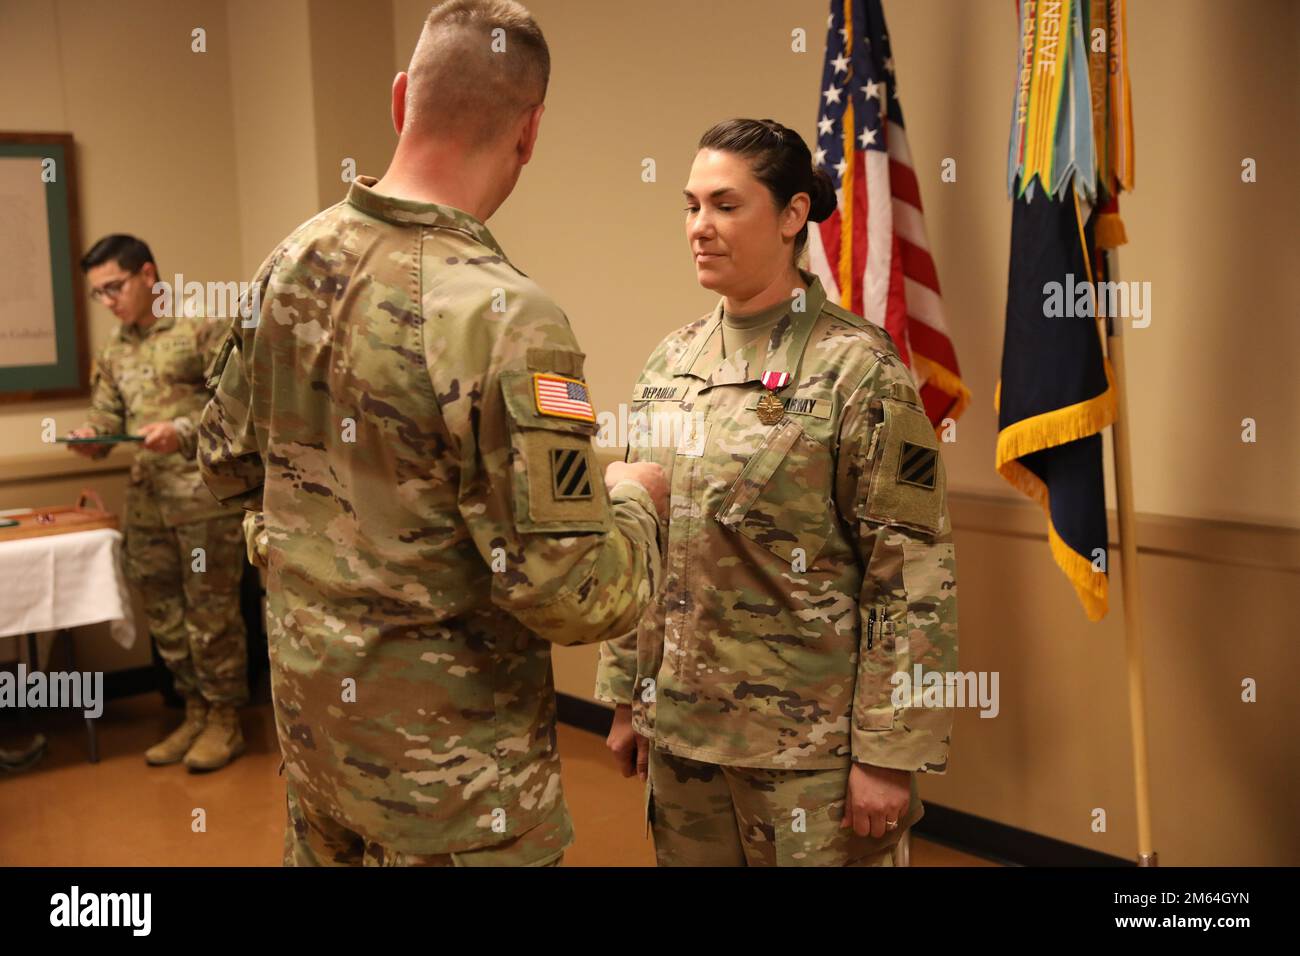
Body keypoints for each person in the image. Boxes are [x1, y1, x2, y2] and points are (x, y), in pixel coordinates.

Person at [198, 0, 667, 867]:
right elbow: (572, 594)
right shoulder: (510, 319)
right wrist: (636, 503)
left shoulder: (289, 262)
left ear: (400, 97)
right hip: (456, 790)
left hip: (317, 741)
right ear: (530, 133)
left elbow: (223, 463)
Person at [597, 119, 959, 867]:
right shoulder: (671, 361)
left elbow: (911, 572)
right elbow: (642, 540)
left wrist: (889, 752)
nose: (700, 227)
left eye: (726, 206)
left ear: (793, 214)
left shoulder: (857, 368)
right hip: (683, 738)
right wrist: (627, 694)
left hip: (809, 758)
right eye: (692, 206)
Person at [68, 234, 249, 772]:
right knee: (165, 616)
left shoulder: (202, 328)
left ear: (148, 274)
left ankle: (225, 721)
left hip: (202, 498)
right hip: (147, 501)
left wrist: (183, 430)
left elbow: (242, 409)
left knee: (212, 616)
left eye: (114, 288)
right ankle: (192, 711)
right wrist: (89, 435)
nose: (108, 302)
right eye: (98, 294)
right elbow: (107, 416)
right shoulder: (115, 348)